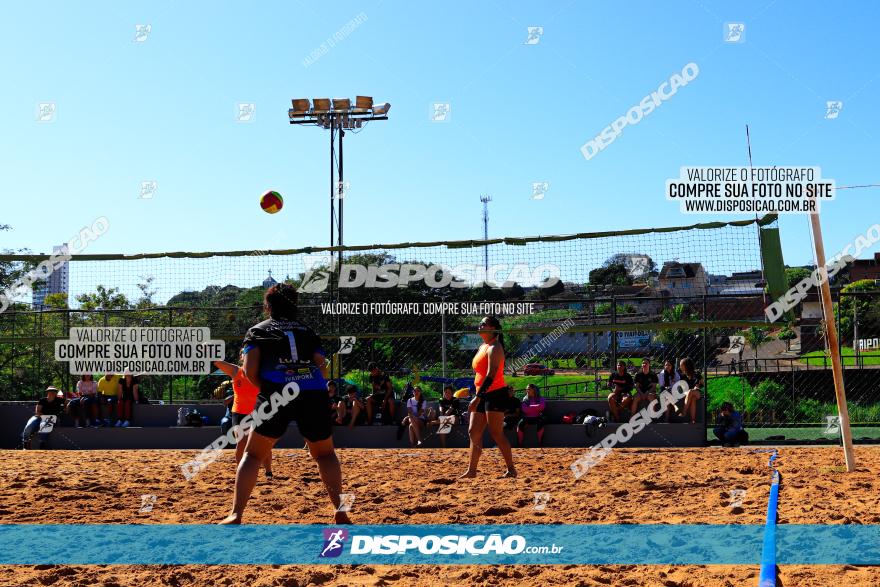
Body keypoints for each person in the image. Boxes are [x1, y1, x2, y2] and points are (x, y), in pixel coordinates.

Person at [220, 283, 348, 524]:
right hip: (312, 391)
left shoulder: (257, 331)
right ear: (295, 305)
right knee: (325, 454)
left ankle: (236, 514)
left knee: (253, 454)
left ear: (268, 306)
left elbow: (249, 371)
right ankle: (340, 511)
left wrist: (270, 389)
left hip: (276, 391)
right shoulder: (307, 331)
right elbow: (323, 368)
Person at [459, 316, 516, 479]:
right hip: (481, 393)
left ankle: (511, 469)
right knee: (473, 431)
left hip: (495, 394)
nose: (480, 326)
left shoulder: (495, 347)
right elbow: (481, 373)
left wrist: (477, 397)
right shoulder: (483, 346)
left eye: (483, 323)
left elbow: (491, 375)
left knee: (496, 433)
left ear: (492, 328)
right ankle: (471, 471)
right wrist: (476, 393)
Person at [214, 350, 272, 479]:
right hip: (240, 412)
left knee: (264, 443)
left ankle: (268, 472)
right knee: (241, 443)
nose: (248, 356)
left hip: (260, 412)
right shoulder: (236, 371)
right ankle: (240, 471)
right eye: (245, 353)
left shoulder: (262, 372)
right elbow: (217, 361)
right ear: (241, 357)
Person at [677, 357, 703, 424]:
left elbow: (701, 384)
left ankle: (684, 412)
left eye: (681, 365)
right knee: (693, 398)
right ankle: (693, 419)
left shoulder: (696, 373)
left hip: (697, 392)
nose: (680, 367)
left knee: (691, 392)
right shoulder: (682, 376)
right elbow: (681, 388)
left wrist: (697, 386)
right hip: (687, 392)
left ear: (686, 365)